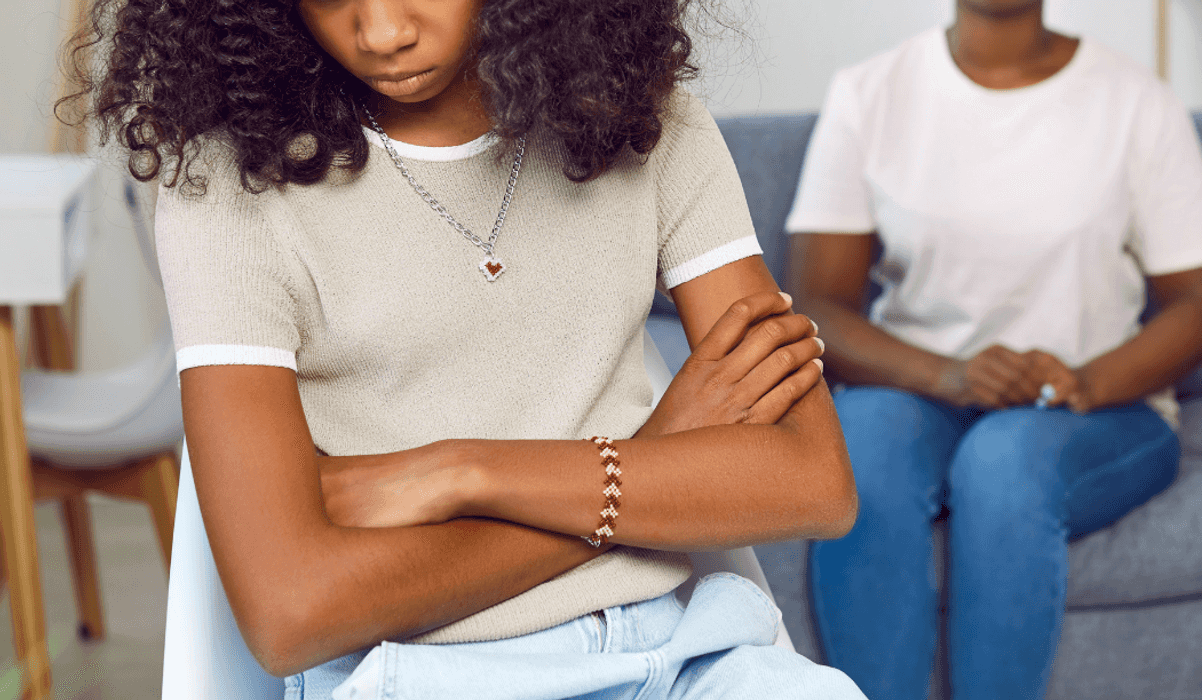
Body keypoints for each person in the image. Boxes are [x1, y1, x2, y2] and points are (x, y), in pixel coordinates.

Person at [68, 0, 870, 698]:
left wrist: (458, 473)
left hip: (695, 653)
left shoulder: (648, 121)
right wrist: (648, 457)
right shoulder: (227, 181)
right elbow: (289, 613)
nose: (381, 30)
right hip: (423, 673)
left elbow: (813, 482)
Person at [786, 1, 1202, 699]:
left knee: (1002, 464)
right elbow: (817, 305)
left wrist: (1085, 381)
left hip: (1096, 408)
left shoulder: (1134, 101)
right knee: (859, 443)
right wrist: (953, 375)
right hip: (922, 393)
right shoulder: (870, 93)